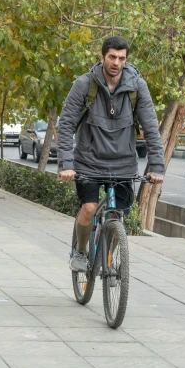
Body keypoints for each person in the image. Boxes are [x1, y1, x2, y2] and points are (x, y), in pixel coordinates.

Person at [57, 36, 165, 273]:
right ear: (102, 57)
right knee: (89, 208)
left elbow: (150, 128)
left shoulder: (137, 87)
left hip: (124, 163)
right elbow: (66, 125)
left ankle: (109, 257)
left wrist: (157, 166)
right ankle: (81, 252)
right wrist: (65, 164)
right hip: (89, 162)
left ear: (126, 60)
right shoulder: (84, 85)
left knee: (118, 216)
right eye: (112, 57)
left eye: (122, 58)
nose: (117, 62)